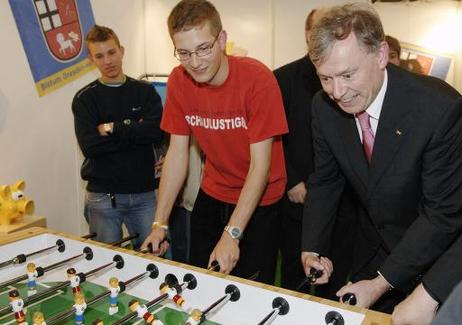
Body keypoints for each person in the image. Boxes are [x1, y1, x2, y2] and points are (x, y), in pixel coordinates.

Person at [301, 2, 462, 313]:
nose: (337, 91)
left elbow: (442, 215)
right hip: (374, 247)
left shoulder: (439, 109)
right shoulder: (323, 108)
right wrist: (313, 248)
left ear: (381, 55)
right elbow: (325, 181)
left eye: (347, 74)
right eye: (325, 78)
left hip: (439, 257)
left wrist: (381, 282)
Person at [142, 0, 288, 285]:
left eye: (203, 49)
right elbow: (177, 153)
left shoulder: (258, 80)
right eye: (183, 53)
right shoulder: (178, 81)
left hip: (262, 200)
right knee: (201, 281)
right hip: (213, 193)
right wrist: (159, 223)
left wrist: (232, 233)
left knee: (250, 289)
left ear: (222, 40)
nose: (195, 63)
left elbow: (261, 167)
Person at [273, 8, 356, 298]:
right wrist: (293, 181)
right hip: (298, 200)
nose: (336, 89)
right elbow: (273, 138)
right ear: (308, 35)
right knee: (297, 277)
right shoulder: (280, 79)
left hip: (346, 201)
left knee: (338, 276)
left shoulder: (352, 84)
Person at [72, 25, 163, 249]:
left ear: (122, 51)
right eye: (99, 56)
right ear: (91, 59)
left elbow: (156, 132)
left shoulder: (145, 91)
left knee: (154, 260)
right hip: (103, 196)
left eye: (111, 52)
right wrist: (136, 131)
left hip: (144, 195)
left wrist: (112, 128)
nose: (107, 61)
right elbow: (91, 147)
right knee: (106, 265)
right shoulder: (85, 99)